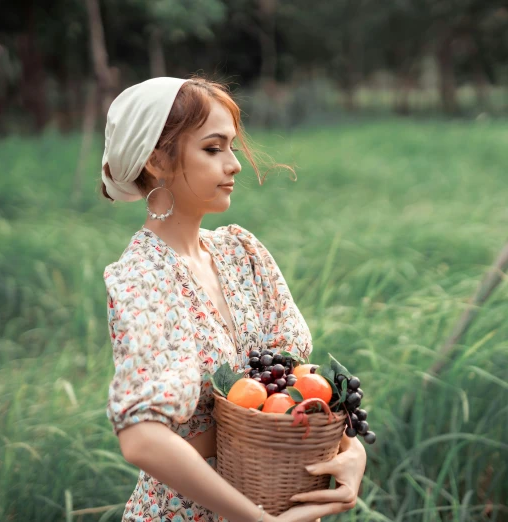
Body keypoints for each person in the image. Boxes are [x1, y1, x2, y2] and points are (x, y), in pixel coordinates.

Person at [100, 76, 367, 522]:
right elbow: (141, 437)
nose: (234, 165)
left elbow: (295, 382)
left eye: (233, 149)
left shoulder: (241, 252)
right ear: (157, 160)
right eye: (212, 148)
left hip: (281, 500)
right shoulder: (141, 276)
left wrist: (351, 451)